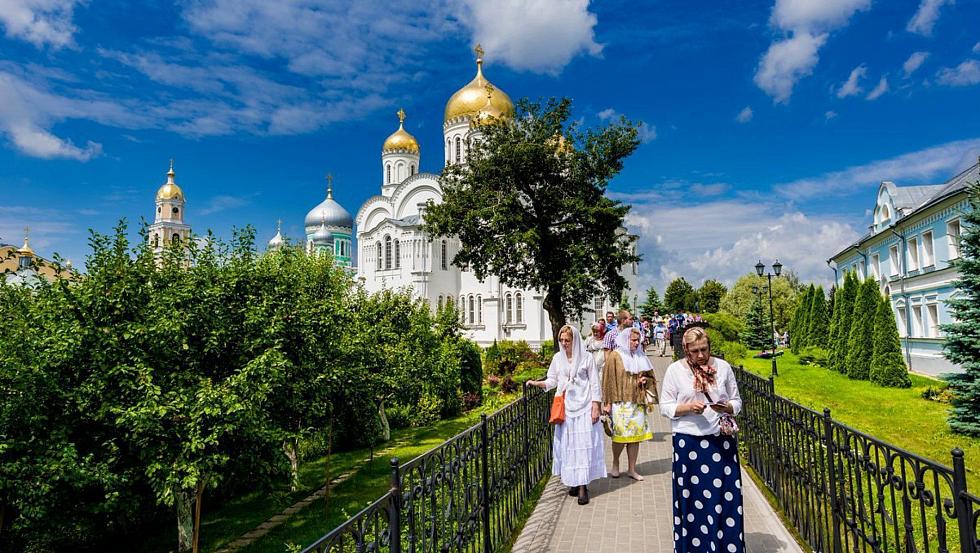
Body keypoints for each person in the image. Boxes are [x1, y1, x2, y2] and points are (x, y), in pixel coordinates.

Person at [660, 327, 744, 553]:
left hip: (720, 441)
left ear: (709, 347)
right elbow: (665, 406)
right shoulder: (675, 371)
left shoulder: (723, 368)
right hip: (688, 443)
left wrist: (726, 406)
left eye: (704, 349)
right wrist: (687, 408)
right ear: (686, 350)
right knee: (692, 500)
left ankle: (725, 547)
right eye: (695, 351)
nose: (700, 355)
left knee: (723, 498)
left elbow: (737, 401)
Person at [528, 325, 605, 505]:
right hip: (566, 409)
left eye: (567, 341)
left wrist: (596, 406)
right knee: (569, 447)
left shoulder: (586, 358)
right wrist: (538, 384)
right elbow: (553, 379)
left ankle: (582, 486)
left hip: (584, 406)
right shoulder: (558, 358)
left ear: (575, 340)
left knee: (583, 446)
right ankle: (572, 481)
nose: (564, 344)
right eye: (561, 340)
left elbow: (594, 383)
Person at [601, 327, 655, 480]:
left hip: (637, 400)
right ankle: (616, 463)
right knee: (619, 436)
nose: (636, 343)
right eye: (633, 340)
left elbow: (650, 375)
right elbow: (608, 380)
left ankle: (632, 468)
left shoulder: (640, 355)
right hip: (620, 402)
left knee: (636, 437)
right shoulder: (615, 355)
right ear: (626, 340)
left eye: (638, 340)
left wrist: (644, 380)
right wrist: (607, 403)